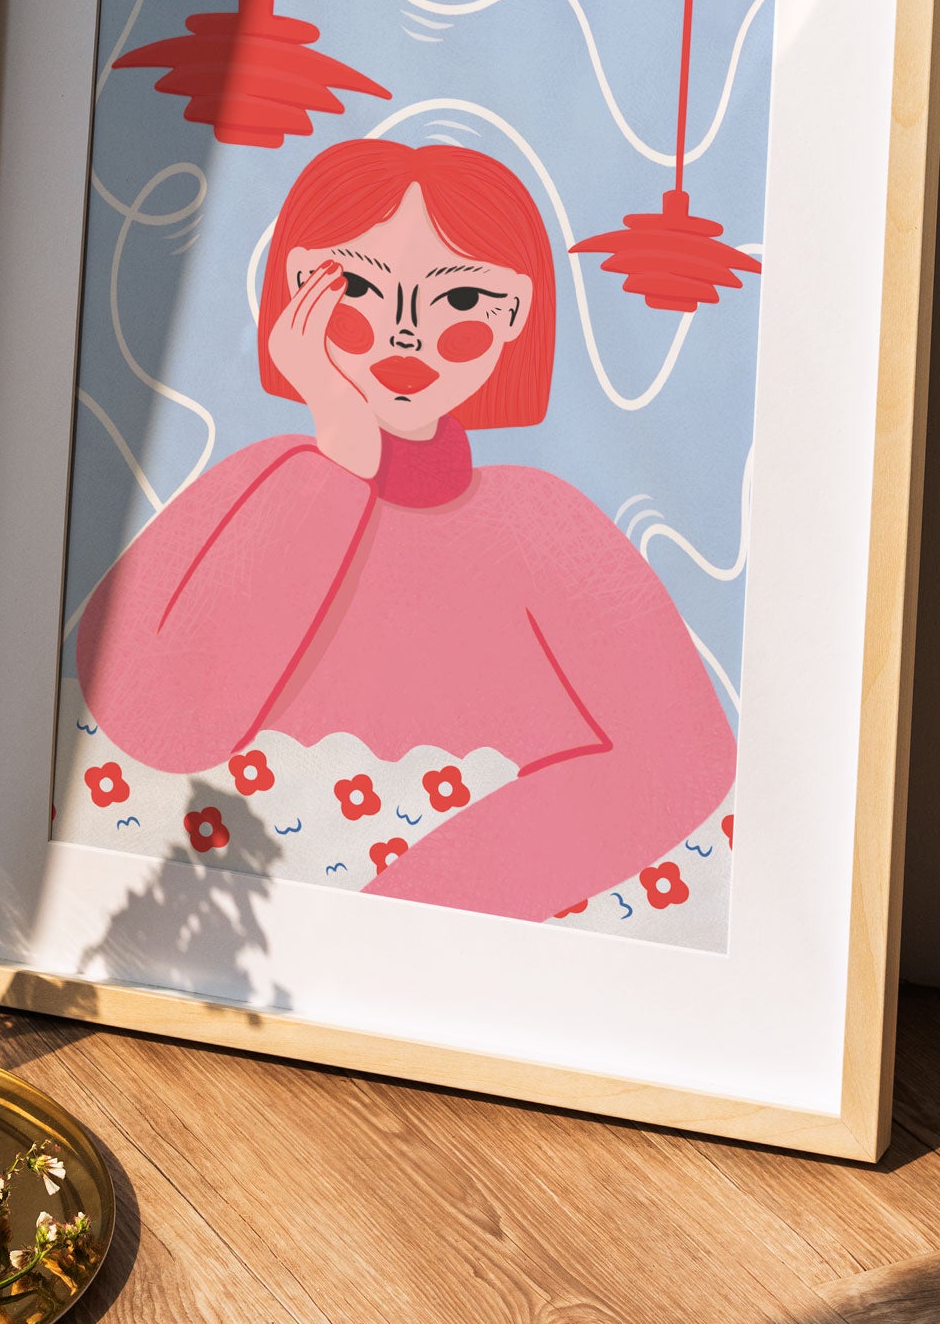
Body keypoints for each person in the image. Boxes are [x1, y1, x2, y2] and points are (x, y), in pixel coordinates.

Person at [74, 139, 735, 920]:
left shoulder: (546, 524)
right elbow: (148, 721)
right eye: (358, 286)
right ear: (300, 289)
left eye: (461, 298)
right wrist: (342, 456)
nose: (407, 332)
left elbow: (683, 759)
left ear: (516, 312)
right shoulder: (268, 488)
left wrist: (406, 912)